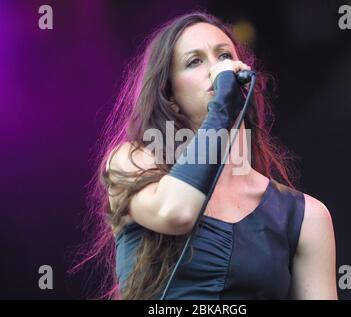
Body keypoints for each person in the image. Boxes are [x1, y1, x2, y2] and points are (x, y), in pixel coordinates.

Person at [78, 11, 337, 300]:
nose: (216, 70)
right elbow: (177, 212)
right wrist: (223, 104)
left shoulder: (305, 216)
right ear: (170, 96)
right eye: (195, 61)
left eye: (225, 57)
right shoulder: (131, 163)